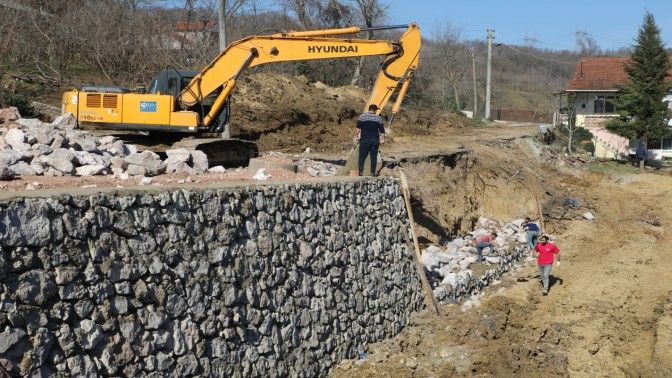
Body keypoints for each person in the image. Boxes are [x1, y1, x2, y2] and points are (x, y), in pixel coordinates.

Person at [355, 104, 385, 176]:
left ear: (369, 109)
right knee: (373, 156)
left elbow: (358, 128)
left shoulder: (362, 116)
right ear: (375, 110)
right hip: (375, 139)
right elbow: (382, 131)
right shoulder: (379, 118)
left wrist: (356, 136)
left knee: (362, 156)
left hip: (365, 139)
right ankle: (372, 172)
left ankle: (360, 172)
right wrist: (382, 139)